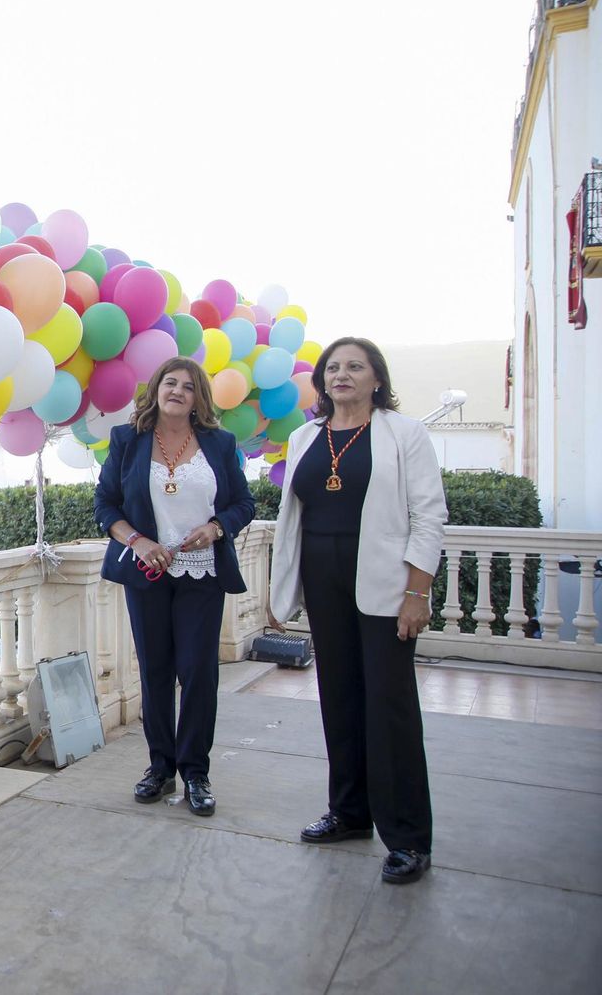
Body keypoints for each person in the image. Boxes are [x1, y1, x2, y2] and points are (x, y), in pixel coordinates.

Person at [268, 337, 445, 886]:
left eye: (355, 367)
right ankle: (349, 813)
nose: (341, 375)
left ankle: (408, 837)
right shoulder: (304, 437)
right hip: (324, 582)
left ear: (376, 379)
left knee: (389, 708)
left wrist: (417, 592)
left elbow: (429, 516)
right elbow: (293, 517)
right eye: (333, 367)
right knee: (338, 699)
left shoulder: (404, 434)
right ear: (322, 381)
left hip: (387, 587)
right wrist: (287, 588)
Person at [94, 356, 256, 816]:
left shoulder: (220, 444)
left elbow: (243, 502)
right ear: (157, 389)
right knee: (156, 672)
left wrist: (217, 527)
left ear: (198, 398)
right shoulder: (127, 440)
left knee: (199, 673)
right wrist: (139, 541)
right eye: (171, 382)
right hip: (147, 574)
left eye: (189, 386)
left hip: (201, 573)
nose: (178, 391)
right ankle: (160, 768)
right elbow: (105, 505)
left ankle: (196, 773)